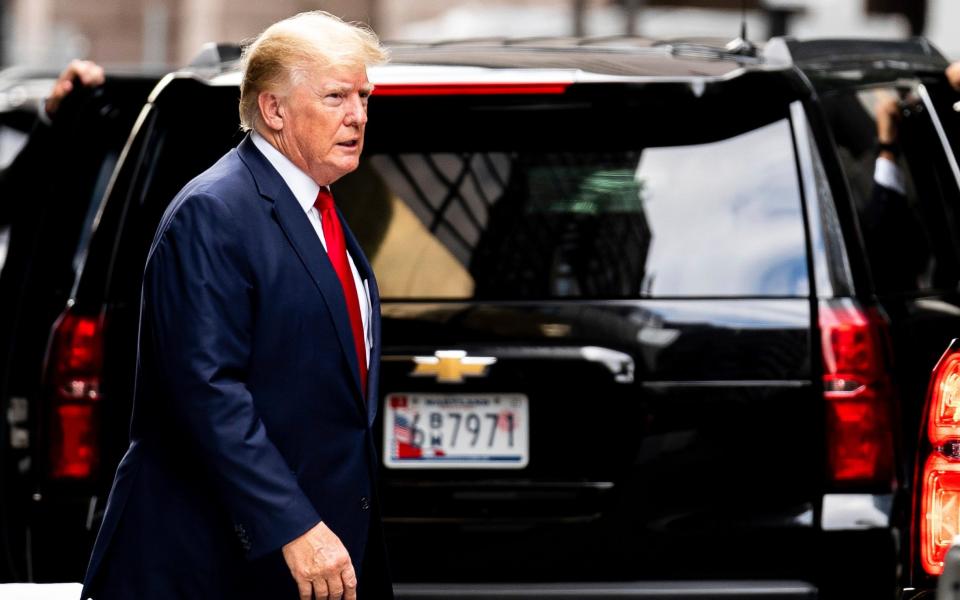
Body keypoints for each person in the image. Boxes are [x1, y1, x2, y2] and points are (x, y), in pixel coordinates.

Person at [80, 12, 390, 600]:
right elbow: (206, 392)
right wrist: (294, 524)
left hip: (310, 557)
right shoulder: (215, 211)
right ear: (273, 110)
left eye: (363, 96)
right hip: (215, 561)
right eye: (335, 97)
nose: (358, 115)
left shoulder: (317, 207)